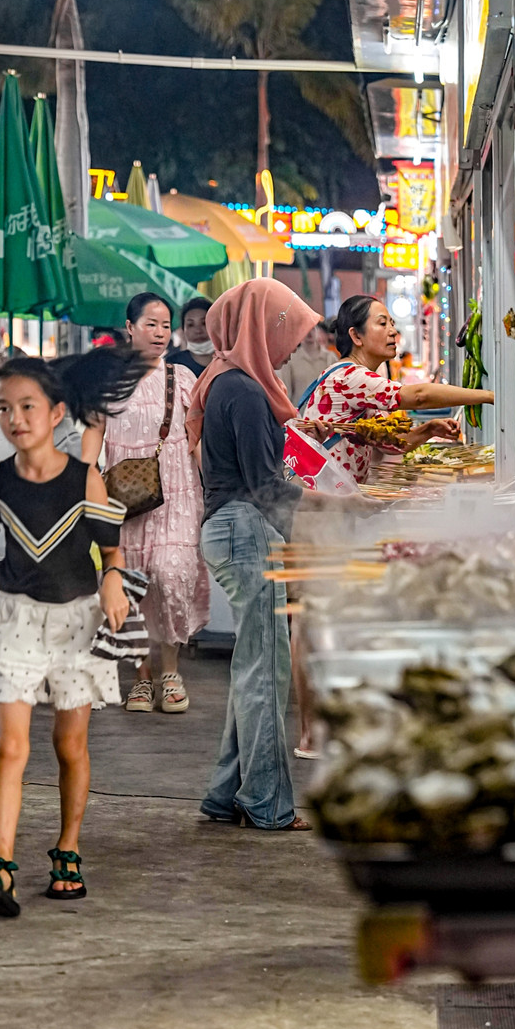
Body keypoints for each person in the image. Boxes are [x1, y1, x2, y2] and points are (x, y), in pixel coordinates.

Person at [186, 278, 371, 830]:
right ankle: (266, 803)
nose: (294, 346)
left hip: (232, 528)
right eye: (289, 332)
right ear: (264, 329)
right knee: (265, 678)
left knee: (252, 670)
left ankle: (226, 795)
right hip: (245, 530)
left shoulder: (226, 380)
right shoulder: (242, 390)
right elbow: (267, 484)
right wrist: (340, 508)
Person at [0, 350, 146, 918]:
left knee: (68, 746)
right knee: (10, 748)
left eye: (27, 406)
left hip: (77, 622)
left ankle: (68, 847)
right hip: (14, 619)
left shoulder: (86, 478)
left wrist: (112, 583)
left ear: (57, 412)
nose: (15, 419)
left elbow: (111, 550)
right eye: (4, 408)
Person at [82, 293, 210, 715]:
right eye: (150, 324)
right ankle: (140, 677)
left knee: (171, 575)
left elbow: (196, 442)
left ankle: (169, 669)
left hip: (177, 492)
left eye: (164, 324)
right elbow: (93, 437)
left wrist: (214, 487)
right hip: (125, 496)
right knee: (133, 580)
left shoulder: (183, 378)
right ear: (129, 328)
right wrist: (78, 482)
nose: (159, 332)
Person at [302, 294, 495, 484]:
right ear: (356, 336)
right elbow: (419, 396)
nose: (393, 331)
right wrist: (488, 396)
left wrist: (429, 429)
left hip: (338, 497)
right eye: (382, 324)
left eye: (392, 324)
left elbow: (391, 442)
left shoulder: (353, 379)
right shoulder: (350, 377)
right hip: (327, 500)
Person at [277, 321, 332, 407]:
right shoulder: (290, 359)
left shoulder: (330, 357)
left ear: (317, 331)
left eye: (312, 329)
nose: (309, 333)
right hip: (301, 413)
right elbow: (287, 392)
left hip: (325, 411)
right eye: (305, 329)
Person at [166, 297, 214, 379]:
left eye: (204, 323)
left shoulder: (229, 362)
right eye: (190, 325)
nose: (198, 330)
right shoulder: (172, 366)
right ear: (183, 330)